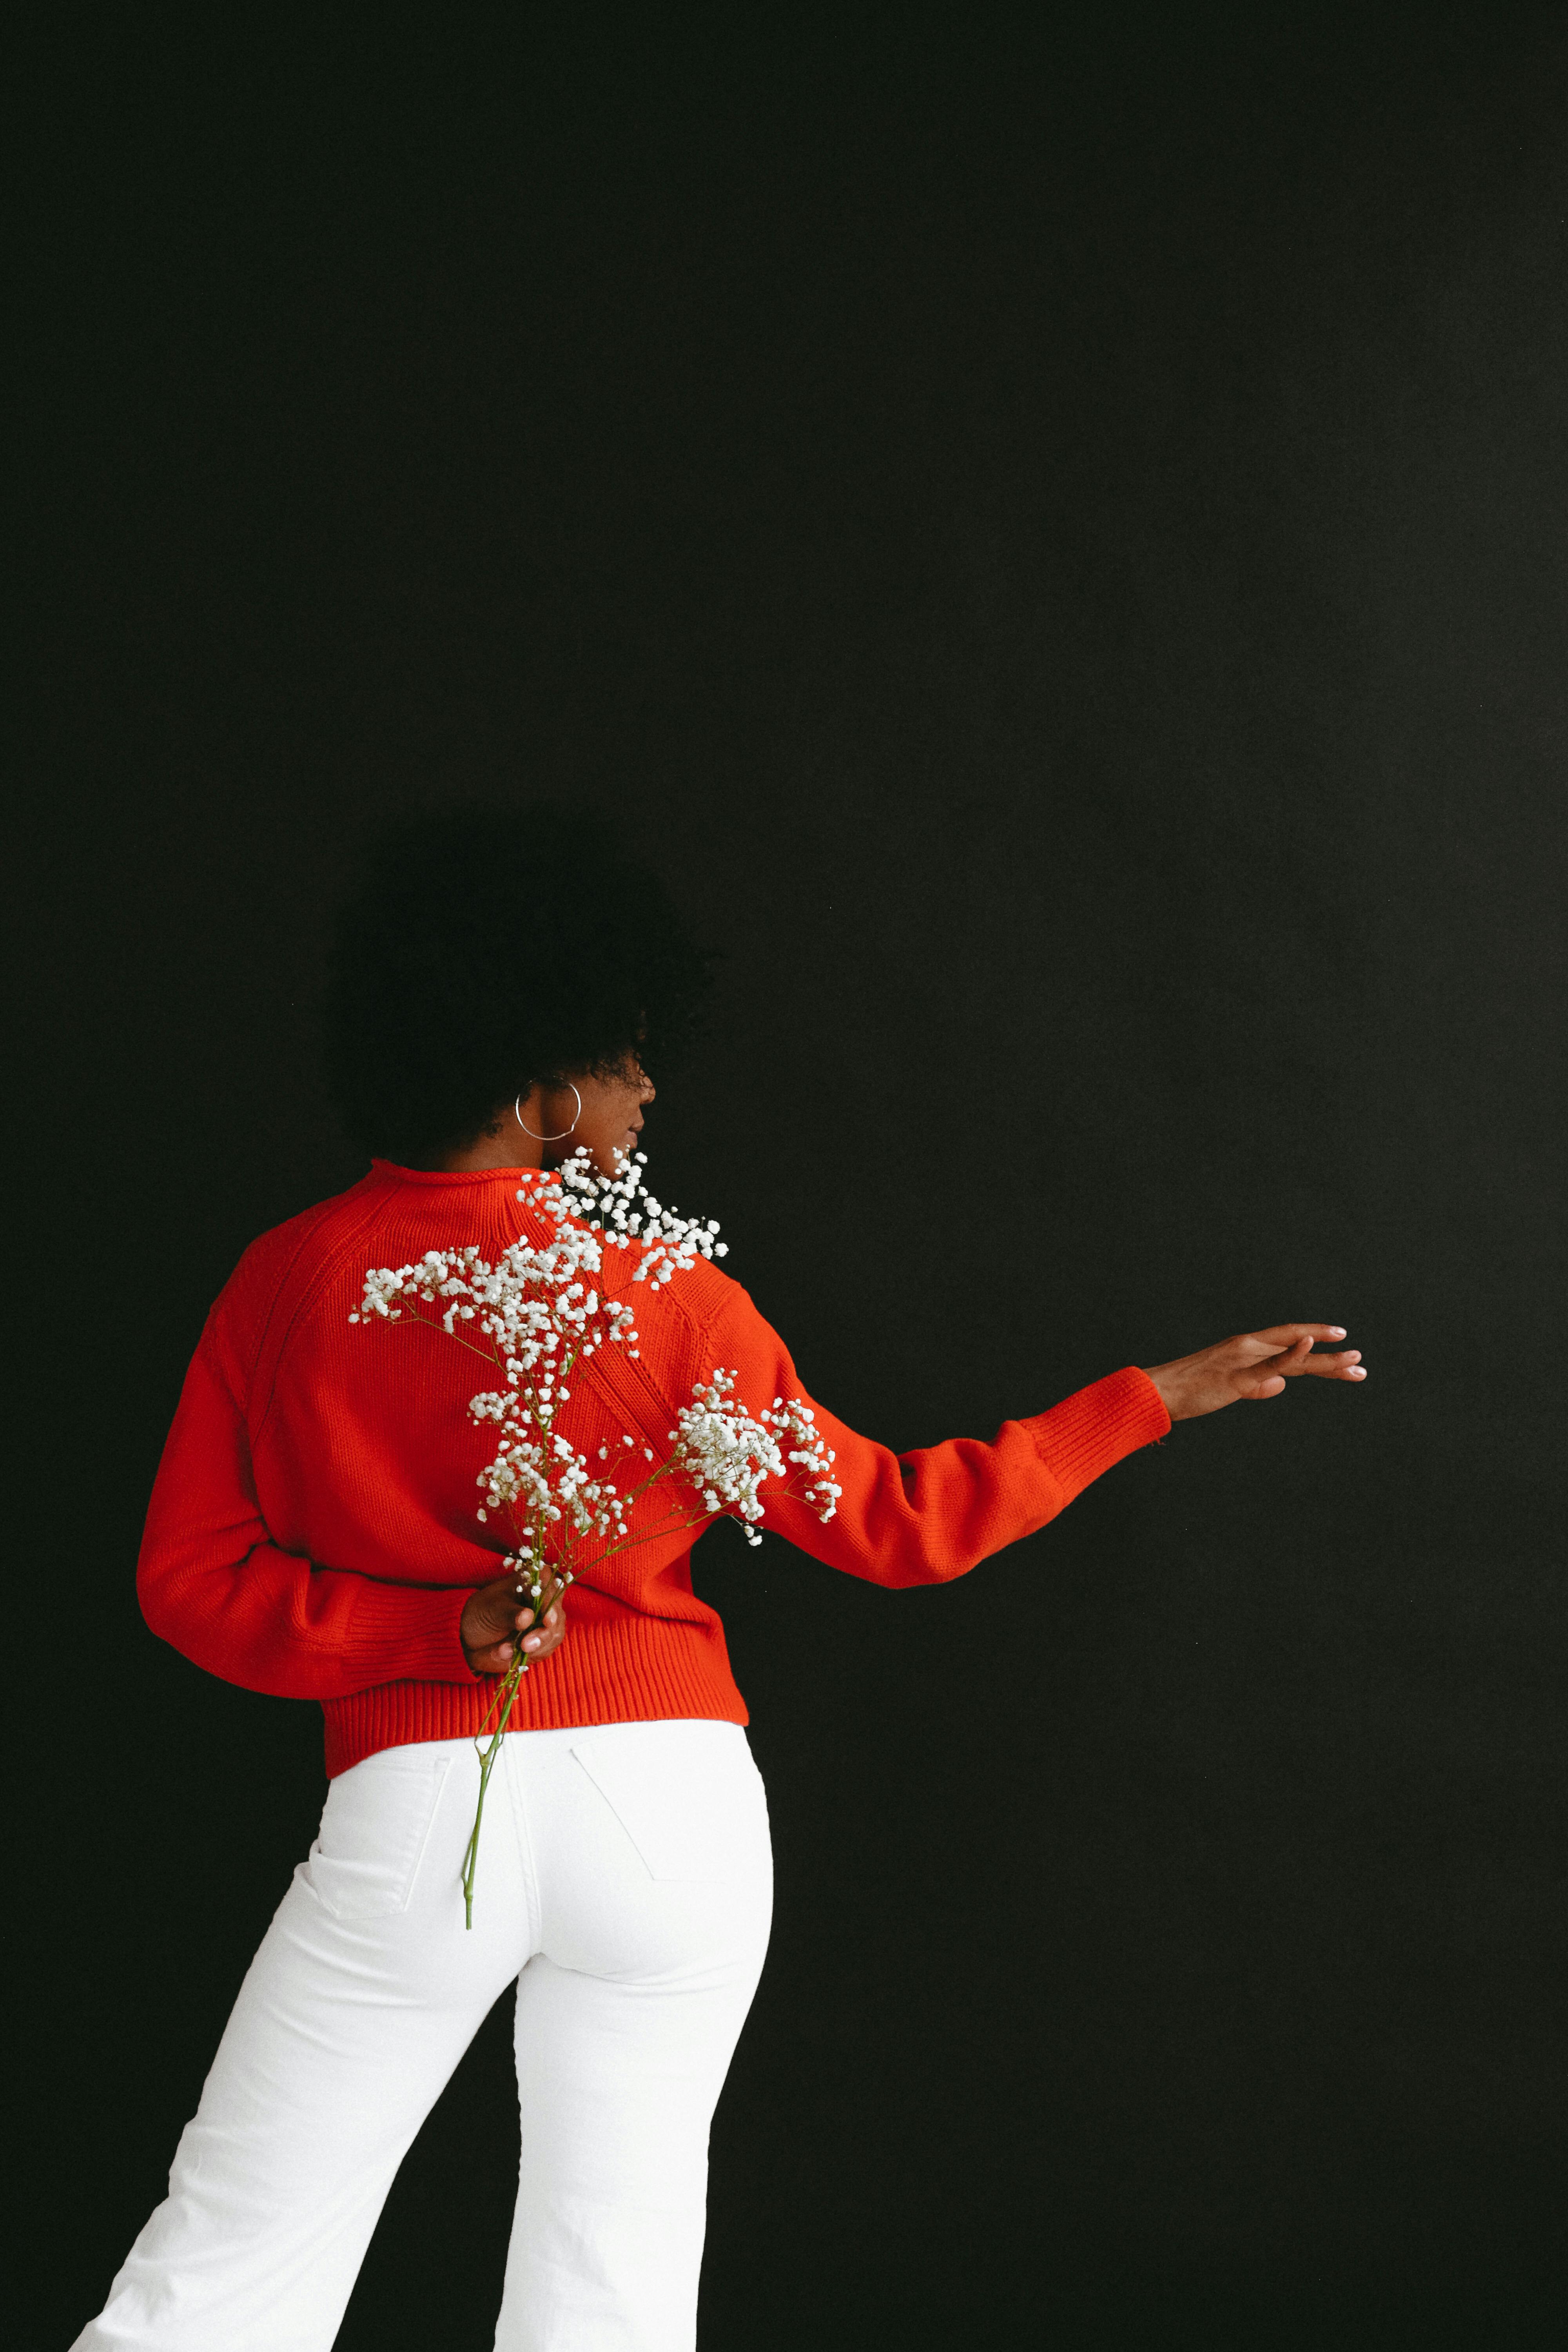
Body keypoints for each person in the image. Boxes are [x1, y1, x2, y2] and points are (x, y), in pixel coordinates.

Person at [73, 807, 1365, 2352]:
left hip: (422, 1811)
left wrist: (431, 1628)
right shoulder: (667, 1298)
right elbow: (899, 1524)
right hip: (674, 1820)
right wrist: (1143, 1400)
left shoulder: (287, 1282)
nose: (648, 1088)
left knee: (234, 2247)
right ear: (540, 1087)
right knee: (613, 2280)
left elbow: (189, 1582)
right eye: (624, 1058)